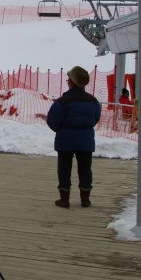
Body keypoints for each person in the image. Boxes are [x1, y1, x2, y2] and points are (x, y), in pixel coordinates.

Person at [46, 66, 101, 209]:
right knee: (85, 169)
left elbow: (52, 120)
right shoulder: (93, 101)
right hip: (86, 141)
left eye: (68, 79)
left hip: (65, 141)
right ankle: (85, 199)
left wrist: (61, 129)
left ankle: (64, 200)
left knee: (64, 169)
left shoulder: (63, 101)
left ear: (72, 82)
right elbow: (95, 118)